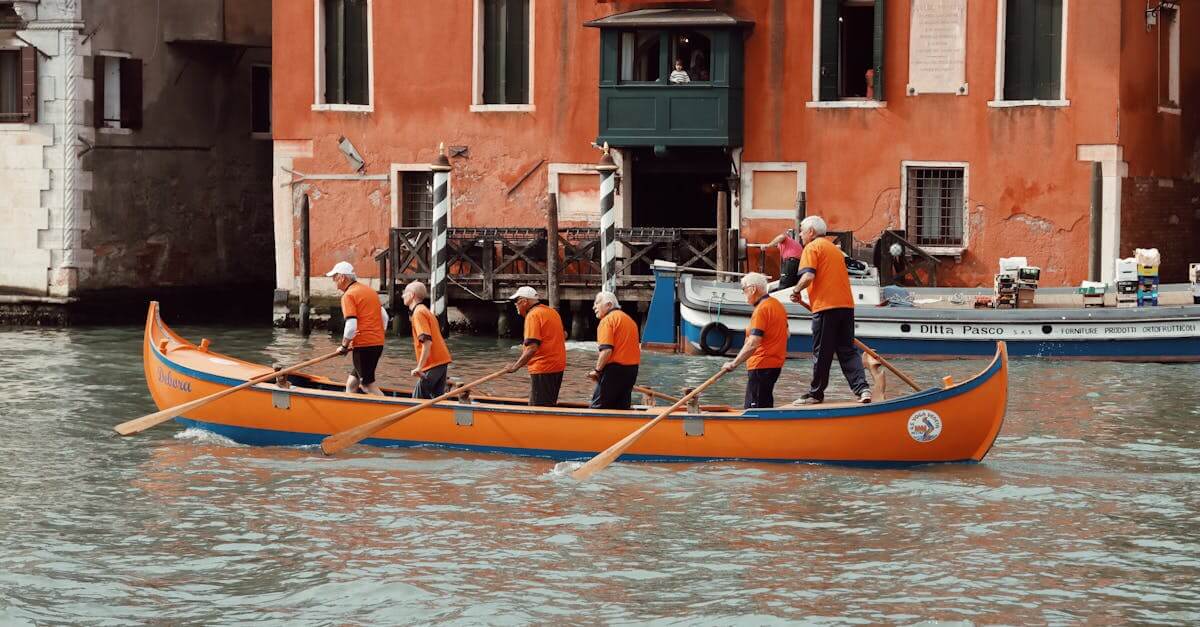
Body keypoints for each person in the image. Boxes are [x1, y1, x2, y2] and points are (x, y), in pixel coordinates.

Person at [789, 216, 871, 404]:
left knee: (822, 352)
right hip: (846, 306)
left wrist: (795, 290)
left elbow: (808, 276)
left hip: (826, 306)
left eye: (802, 230)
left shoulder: (811, 248)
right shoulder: (834, 249)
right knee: (847, 351)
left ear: (811, 232)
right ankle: (862, 389)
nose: (800, 234)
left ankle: (816, 394)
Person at [720, 272, 788, 409]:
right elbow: (787, 333)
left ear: (752, 289)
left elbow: (753, 342)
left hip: (761, 365)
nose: (744, 295)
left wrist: (734, 363)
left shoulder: (762, 310)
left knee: (754, 408)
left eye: (744, 290)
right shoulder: (777, 306)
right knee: (765, 404)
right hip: (775, 364)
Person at [326, 261, 389, 396]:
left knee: (366, 385)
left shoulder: (348, 295)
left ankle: (392, 410)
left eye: (334, 278)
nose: (334, 283)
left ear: (342, 277)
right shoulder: (369, 291)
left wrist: (344, 346)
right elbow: (385, 317)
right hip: (377, 343)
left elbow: (351, 326)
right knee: (352, 383)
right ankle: (349, 408)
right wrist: (376, 334)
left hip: (364, 344)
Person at [505, 286, 567, 407]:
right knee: (549, 403)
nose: (515, 305)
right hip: (558, 365)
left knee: (538, 407)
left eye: (516, 301)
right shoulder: (551, 312)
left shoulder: (533, 315)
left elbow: (532, 348)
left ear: (524, 301)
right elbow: (564, 335)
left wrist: (515, 367)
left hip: (543, 367)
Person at [588, 291, 641, 410]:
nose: (594, 307)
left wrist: (597, 370)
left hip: (614, 371)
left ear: (608, 304)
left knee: (598, 406)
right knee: (621, 406)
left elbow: (606, 351)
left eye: (597, 303)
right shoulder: (629, 320)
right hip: (631, 370)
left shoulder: (607, 321)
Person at [402, 281, 452, 399]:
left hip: (433, 363)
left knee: (418, 398)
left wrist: (419, 367)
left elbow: (427, 342)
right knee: (437, 398)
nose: (403, 295)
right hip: (441, 360)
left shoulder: (418, 313)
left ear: (412, 295)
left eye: (405, 293)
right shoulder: (425, 310)